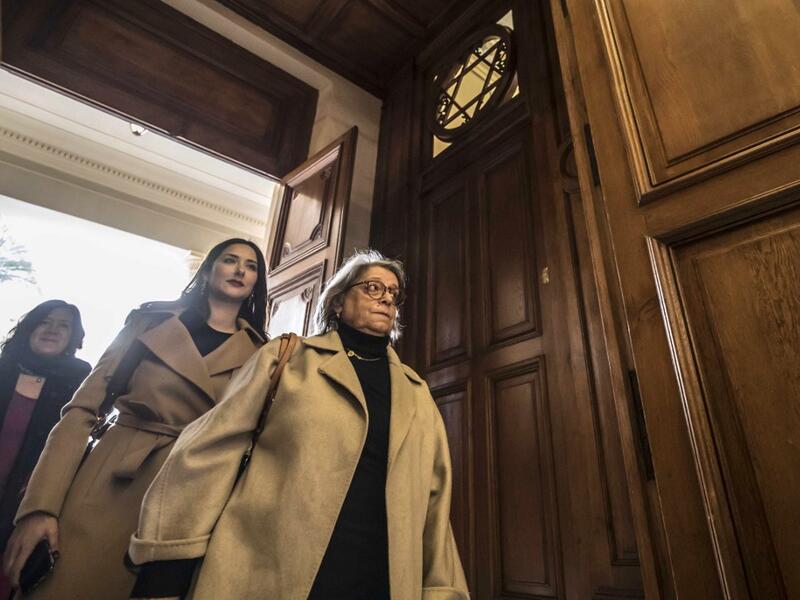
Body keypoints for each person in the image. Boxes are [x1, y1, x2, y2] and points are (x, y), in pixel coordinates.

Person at [127, 249, 469, 600]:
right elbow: (212, 449)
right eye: (372, 288)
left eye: (394, 293)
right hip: (271, 567)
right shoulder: (286, 359)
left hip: (378, 577)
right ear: (337, 302)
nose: (386, 299)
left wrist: (442, 590)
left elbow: (435, 500)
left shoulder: (416, 392)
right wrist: (168, 557)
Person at [3, 238, 268, 599]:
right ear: (207, 271)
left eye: (251, 266)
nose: (240, 270)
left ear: (257, 282)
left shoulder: (261, 353)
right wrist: (40, 506)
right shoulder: (148, 323)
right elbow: (81, 411)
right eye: (230, 260)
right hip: (110, 478)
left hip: (193, 495)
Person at [0, 300, 91, 598]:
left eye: (63, 325)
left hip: (24, 500)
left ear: (73, 336)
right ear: (30, 327)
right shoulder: (3, 367)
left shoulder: (80, 384)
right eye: (45, 321)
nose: (52, 330)